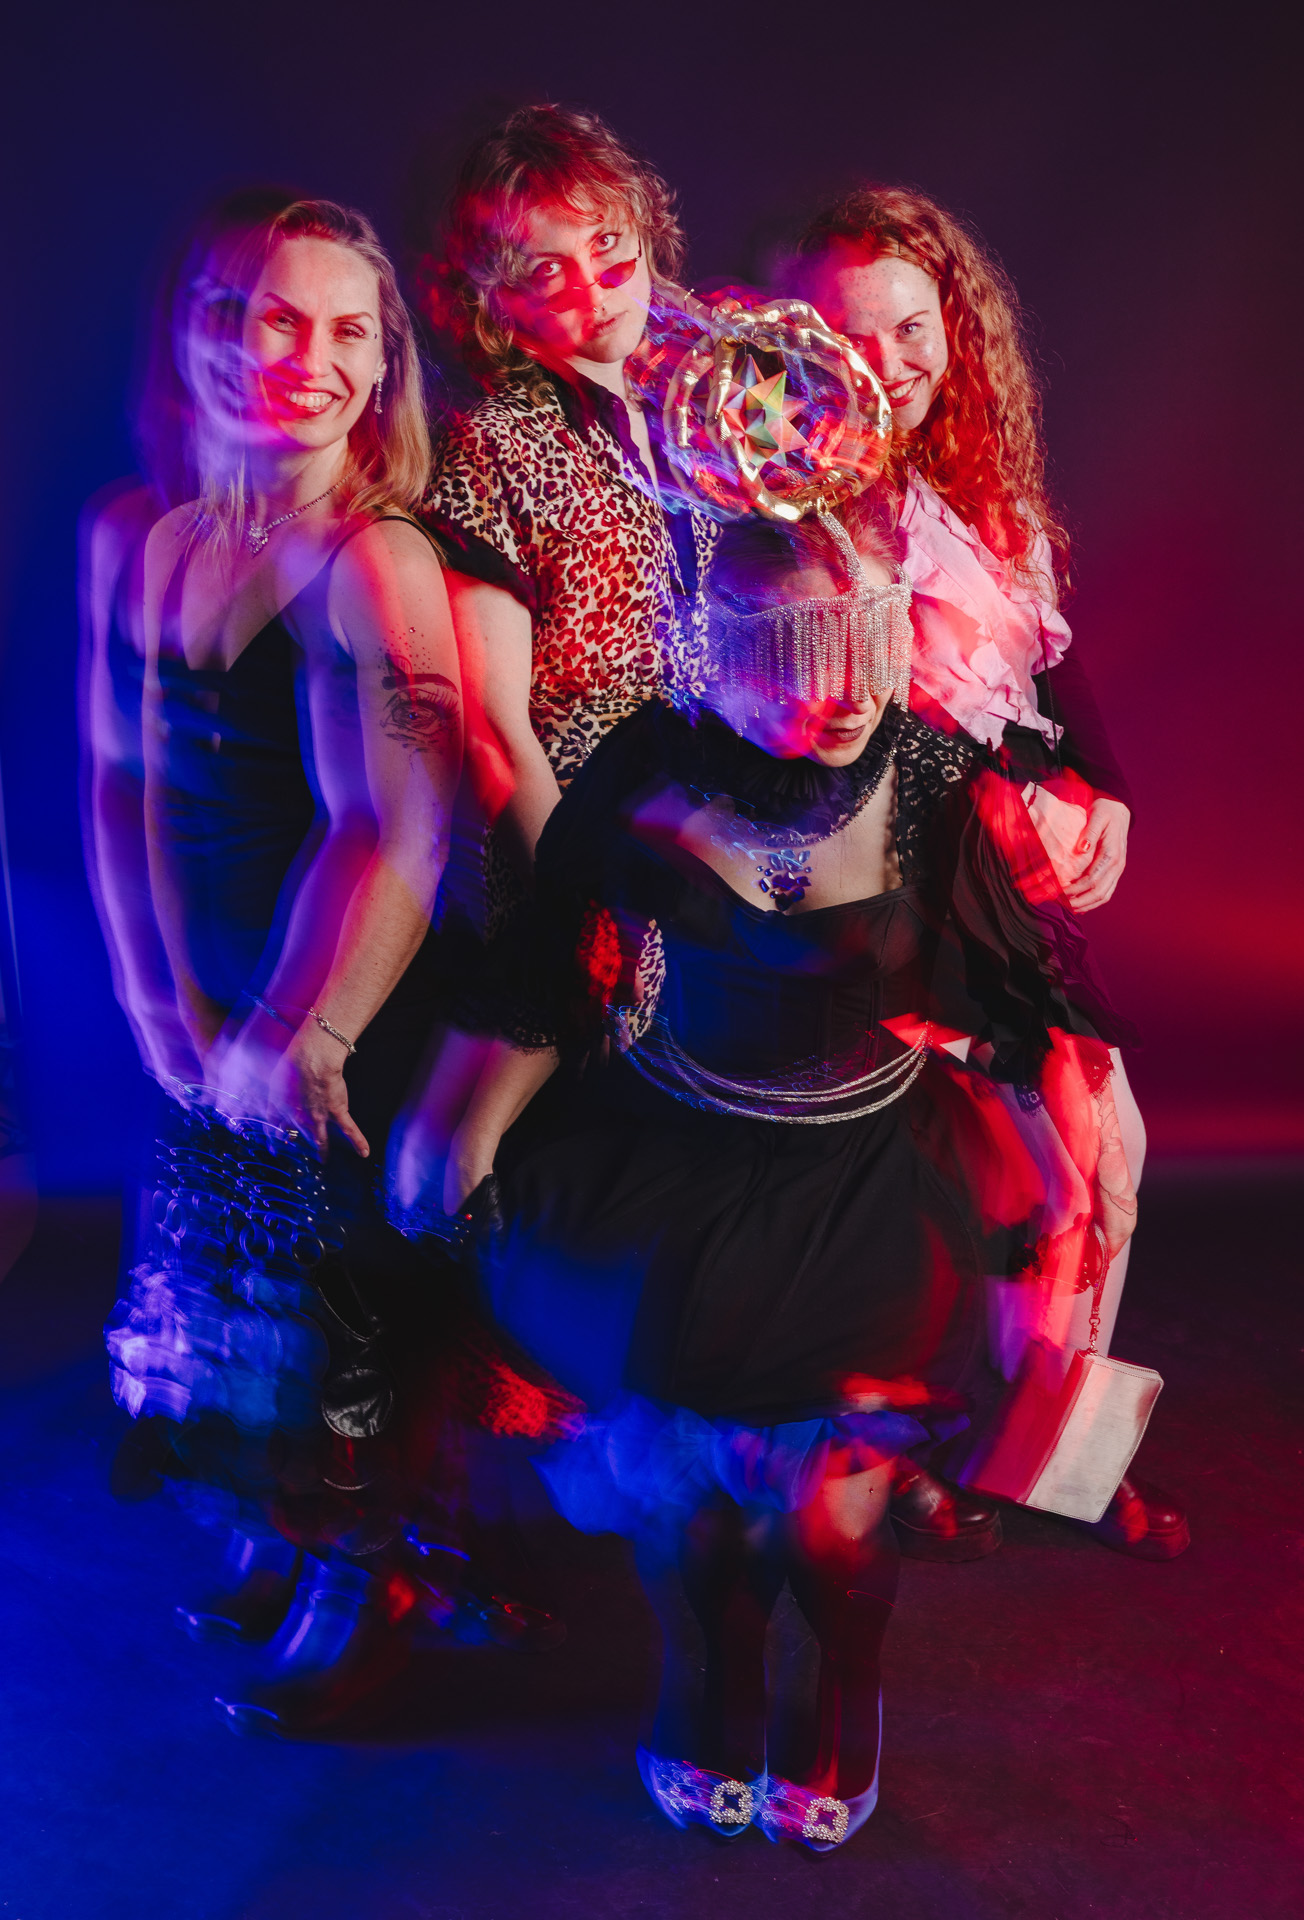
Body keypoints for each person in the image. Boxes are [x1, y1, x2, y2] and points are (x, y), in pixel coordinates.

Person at [434, 507, 1137, 1849]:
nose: (843, 692)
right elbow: (550, 965)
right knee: (697, 1510)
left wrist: (1058, 1165)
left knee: (831, 1515)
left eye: (867, 646)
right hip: (678, 1157)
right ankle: (709, 1682)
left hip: (869, 1171)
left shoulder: (928, 771)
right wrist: (467, 1118)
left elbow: (1012, 1003)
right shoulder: (654, 761)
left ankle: (842, 1690)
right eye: (795, 657)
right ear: (720, 656)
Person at [95, 197, 532, 1732]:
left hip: (353, 1005)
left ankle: (368, 1567)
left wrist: (305, 1029)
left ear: (382, 366)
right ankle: (283, 1524)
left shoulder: (373, 559)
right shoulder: (137, 540)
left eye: (350, 330)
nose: (309, 359)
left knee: (350, 1307)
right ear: (202, 329)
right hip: (209, 1003)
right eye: (276, 316)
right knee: (237, 1287)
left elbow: (393, 825)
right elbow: (119, 782)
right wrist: (161, 1005)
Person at [793, 185, 1186, 1559]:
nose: (888, 362)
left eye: (911, 329)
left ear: (952, 332)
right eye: (851, 335)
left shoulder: (978, 500)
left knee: (1093, 1158)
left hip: (994, 875)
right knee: (1008, 1169)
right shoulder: (787, 510)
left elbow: (1043, 667)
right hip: (876, 878)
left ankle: (1046, 1450)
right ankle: (971, 1444)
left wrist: (1106, 789)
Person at [394, 104, 717, 1207]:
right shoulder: (491, 439)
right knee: (460, 1132)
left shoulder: (685, 415)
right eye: (546, 273)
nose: (596, 292)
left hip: (675, 818)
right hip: (560, 820)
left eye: (609, 250)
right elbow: (491, 723)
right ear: (493, 300)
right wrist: (581, 897)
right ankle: (424, 1289)